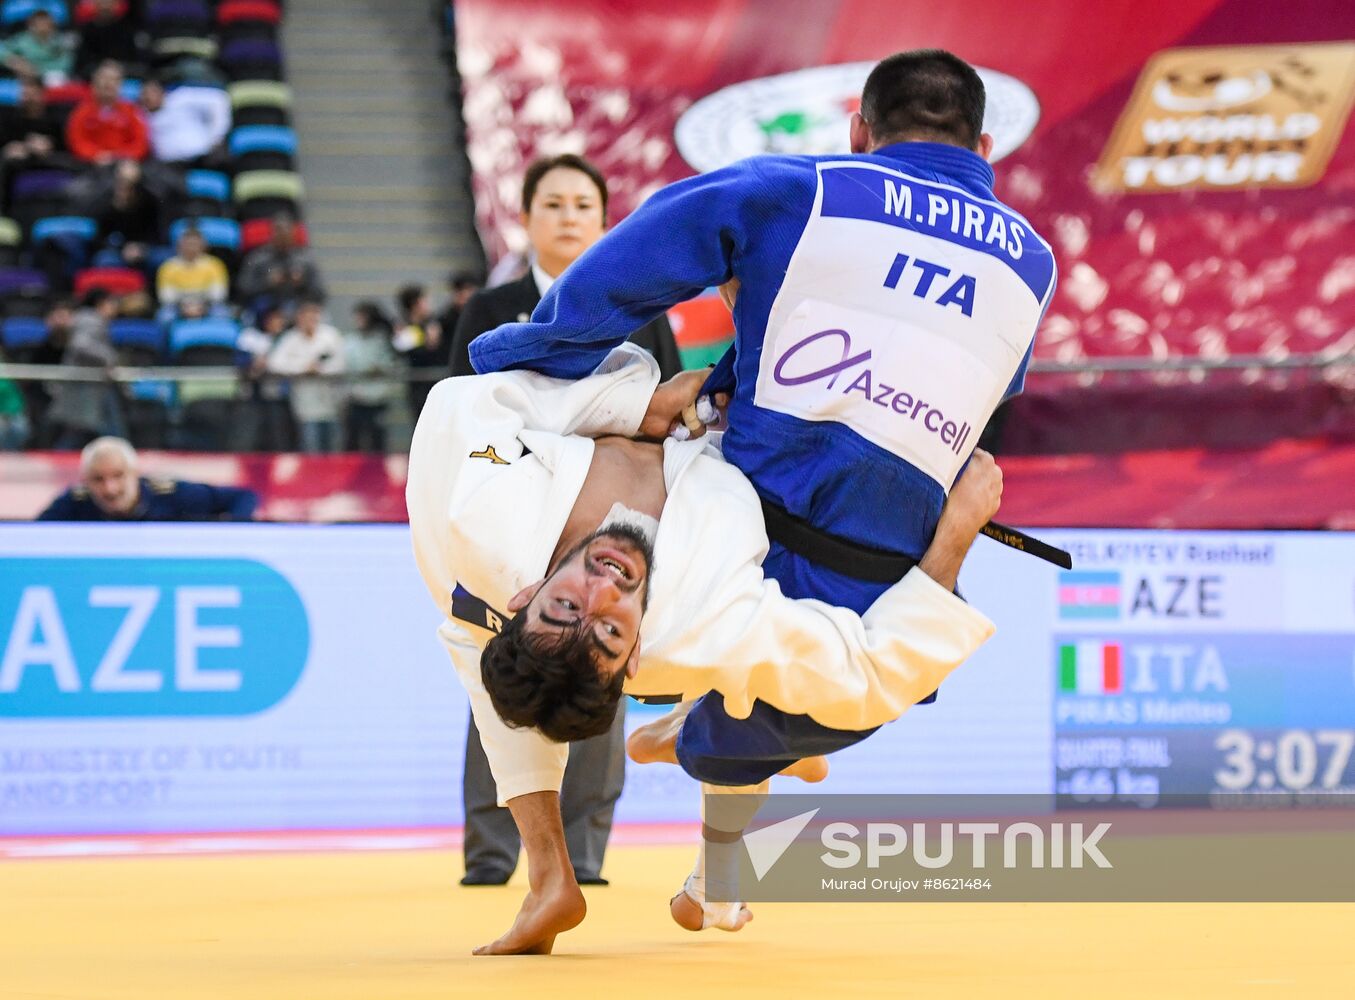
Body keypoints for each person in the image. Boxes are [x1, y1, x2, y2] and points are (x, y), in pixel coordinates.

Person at [468, 50, 1057, 788]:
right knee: (809, 715)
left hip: (727, 534)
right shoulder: (1033, 266)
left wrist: (525, 355)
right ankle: (694, 738)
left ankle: (671, 720)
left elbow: (642, 250)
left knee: (620, 641)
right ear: (984, 152)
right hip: (864, 577)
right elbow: (987, 393)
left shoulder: (796, 189)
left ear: (857, 132)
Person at [407, 344, 1001, 953]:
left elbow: (461, 403)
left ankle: (568, 874)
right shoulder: (707, 619)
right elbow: (865, 676)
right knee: (756, 696)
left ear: (528, 593)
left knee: (489, 655)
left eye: (567, 604)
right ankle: (707, 781)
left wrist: (638, 406)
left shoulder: (480, 514)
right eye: (611, 630)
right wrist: (954, 539)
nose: (605, 589)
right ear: (634, 663)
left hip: (485, 564)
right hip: (744, 468)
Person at [450, 153, 681, 381]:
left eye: (583, 205)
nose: (569, 218)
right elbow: (462, 408)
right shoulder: (486, 310)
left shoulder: (642, 310)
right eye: (553, 204)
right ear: (525, 218)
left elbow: (672, 396)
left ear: (603, 222)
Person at [38, 436, 258, 521]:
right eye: (98, 479)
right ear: (85, 481)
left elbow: (244, 497)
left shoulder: (171, 495)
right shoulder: (75, 502)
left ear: (135, 473)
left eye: (118, 476)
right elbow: (29, 537)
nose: (110, 488)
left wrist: (228, 534)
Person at [44, 288, 125, 449]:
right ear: (101, 303)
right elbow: (80, 345)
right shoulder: (90, 320)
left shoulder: (86, 319)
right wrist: (109, 358)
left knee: (83, 431)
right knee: (83, 430)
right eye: (111, 303)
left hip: (92, 385)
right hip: (85, 386)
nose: (115, 308)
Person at [265, 297, 345, 453]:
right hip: (305, 405)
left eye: (313, 316)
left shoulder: (330, 336)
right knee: (311, 446)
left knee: (334, 448)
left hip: (332, 402)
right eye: (306, 317)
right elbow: (275, 363)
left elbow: (340, 363)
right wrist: (303, 368)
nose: (310, 321)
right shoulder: (291, 339)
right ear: (299, 318)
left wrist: (319, 369)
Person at [236, 213, 325, 315]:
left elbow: (321, 293)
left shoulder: (305, 259)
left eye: (286, 234)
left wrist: (302, 282)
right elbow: (242, 289)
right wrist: (267, 282)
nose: (283, 238)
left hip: (298, 310)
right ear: (272, 234)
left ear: (293, 234)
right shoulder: (258, 258)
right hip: (264, 312)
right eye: (279, 233)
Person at [65, 60, 149, 164]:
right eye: (104, 78)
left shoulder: (132, 110)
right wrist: (96, 155)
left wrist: (123, 157)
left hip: (125, 164)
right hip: (91, 164)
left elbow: (140, 142)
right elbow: (77, 141)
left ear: (120, 84)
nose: (108, 83)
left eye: (114, 79)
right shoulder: (81, 112)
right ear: (94, 83)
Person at [343, 301, 399, 453]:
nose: (358, 320)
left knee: (377, 440)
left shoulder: (383, 340)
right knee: (353, 440)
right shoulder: (350, 341)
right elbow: (347, 364)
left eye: (362, 316)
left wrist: (379, 368)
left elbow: (391, 362)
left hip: (377, 397)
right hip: (356, 397)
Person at [139, 76, 230, 165]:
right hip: (167, 167)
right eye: (144, 93)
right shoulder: (141, 115)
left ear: (162, 91)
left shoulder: (181, 98)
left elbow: (219, 99)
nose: (147, 97)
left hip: (201, 158)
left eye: (151, 92)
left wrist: (217, 136)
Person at [391, 284, 442, 421]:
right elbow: (405, 352)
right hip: (418, 384)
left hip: (438, 380)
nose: (429, 304)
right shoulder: (405, 328)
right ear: (416, 304)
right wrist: (429, 342)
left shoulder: (434, 323)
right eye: (425, 300)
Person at [156, 225, 229, 315]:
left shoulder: (214, 264)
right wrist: (186, 304)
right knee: (165, 316)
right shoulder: (168, 266)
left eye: (195, 244)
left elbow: (218, 294)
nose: (191, 247)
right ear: (179, 245)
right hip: (178, 306)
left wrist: (200, 304)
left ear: (203, 246)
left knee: (221, 313)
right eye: (187, 244)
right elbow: (166, 297)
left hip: (207, 305)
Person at [74, 0, 144, 82]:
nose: (105, 6)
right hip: (94, 78)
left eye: (109, 2)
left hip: (124, 78)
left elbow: (135, 63)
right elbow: (81, 65)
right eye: (102, 2)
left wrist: (118, 67)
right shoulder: (87, 30)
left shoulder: (126, 28)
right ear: (95, 4)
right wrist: (102, 67)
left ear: (116, 5)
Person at [0, 10, 73, 83]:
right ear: (31, 25)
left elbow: (66, 64)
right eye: (38, 23)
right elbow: (2, 52)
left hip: (52, 78)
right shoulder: (23, 40)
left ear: (52, 24)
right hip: (25, 79)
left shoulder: (61, 41)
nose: (42, 26)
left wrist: (36, 71)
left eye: (45, 23)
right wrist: (16, 62)